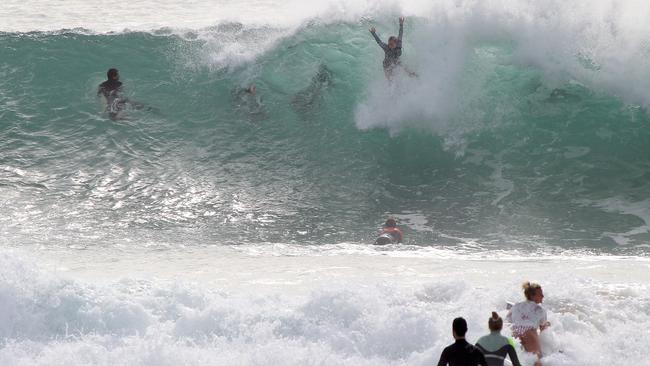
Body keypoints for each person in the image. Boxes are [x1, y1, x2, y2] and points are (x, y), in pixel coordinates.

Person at [506, 282, 550, 366]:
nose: (543, 296)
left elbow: (507, 321)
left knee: (517, 362)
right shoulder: (540, 310)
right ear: (532, 296)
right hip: (529, 334)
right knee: (537, 362)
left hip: (515, 333)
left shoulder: (515, 306)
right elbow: (543, 330)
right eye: (540, 294)